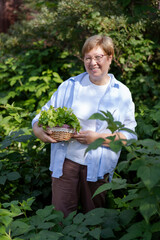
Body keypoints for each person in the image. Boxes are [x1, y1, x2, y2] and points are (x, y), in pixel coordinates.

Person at [32, 35, 137, 217]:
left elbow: (129, 136)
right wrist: (37, 130)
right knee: (61, 218)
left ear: (110, 58)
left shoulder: (121, 93)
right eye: (88, 58)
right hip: (66, 163)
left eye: (98, 57)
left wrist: (97, 139)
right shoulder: (70, 86)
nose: (92, 63)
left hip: (98, 166)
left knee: (95, 219)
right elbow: (42, 115)